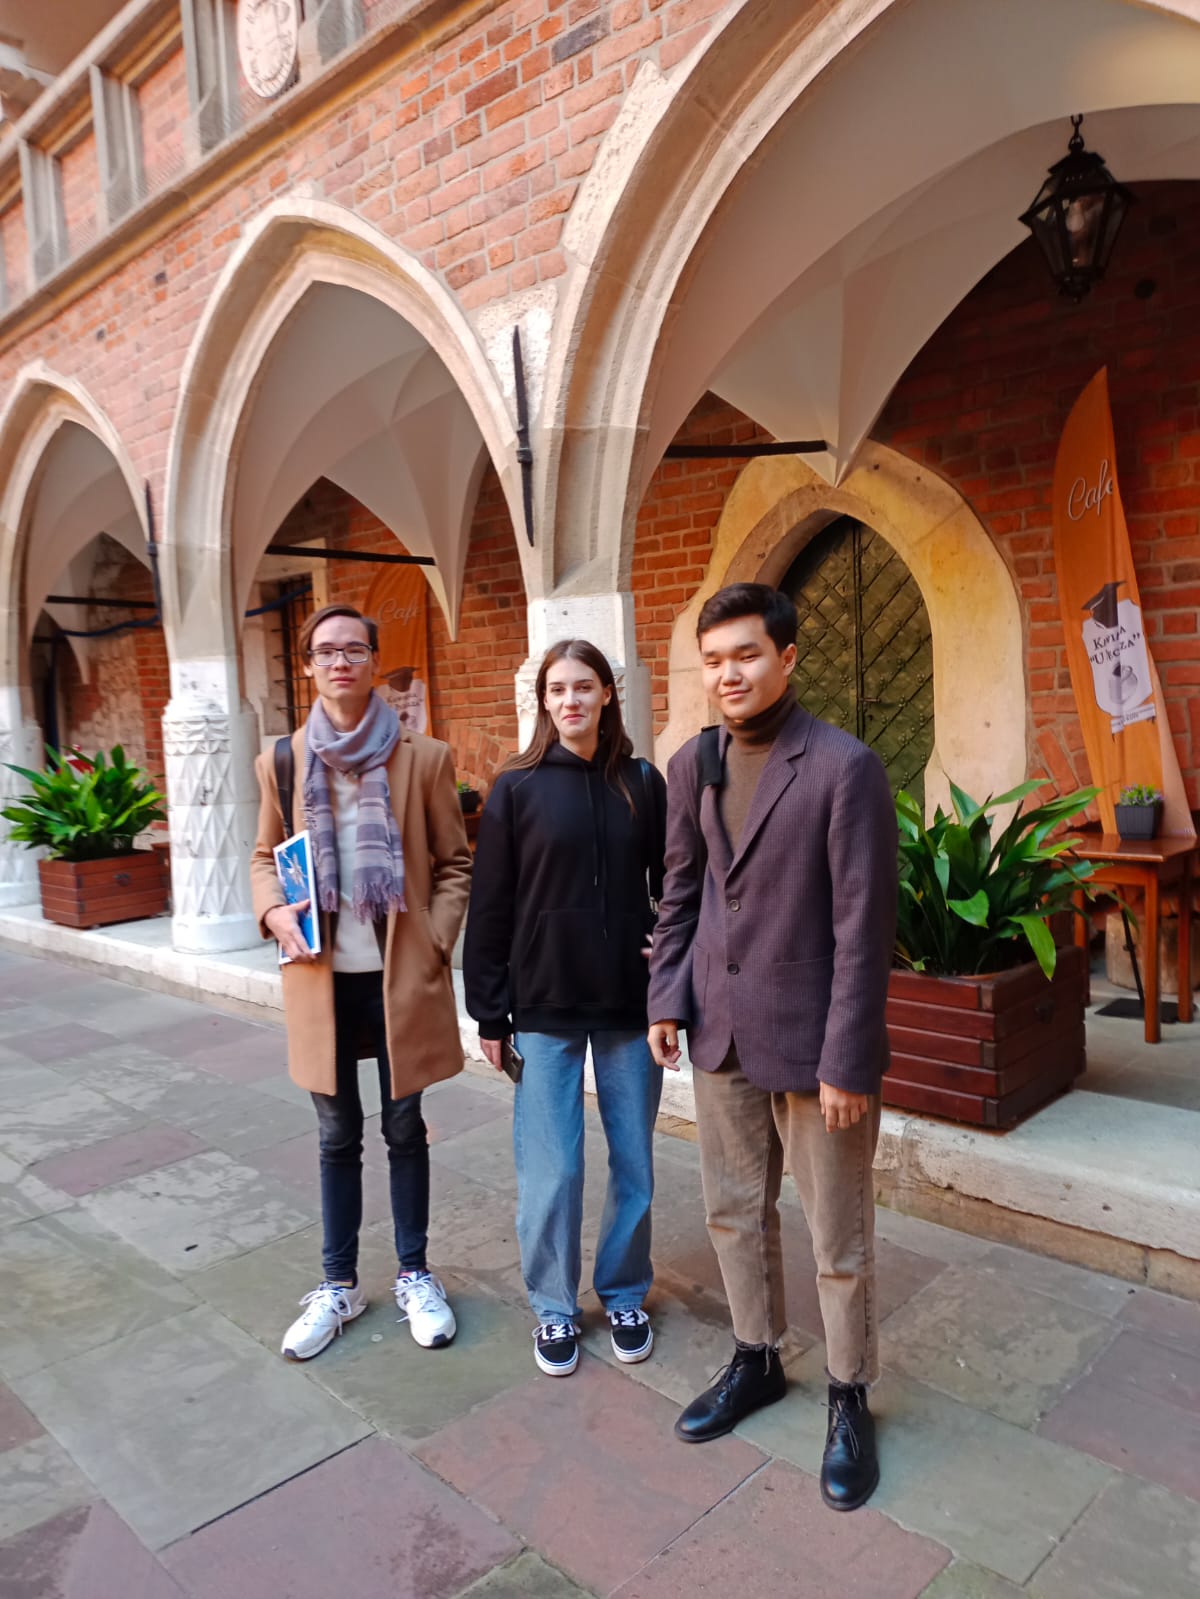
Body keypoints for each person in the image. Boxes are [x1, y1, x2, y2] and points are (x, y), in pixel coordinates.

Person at [647, 582, 897, 1512]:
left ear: (787, 658)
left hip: (814, 1038)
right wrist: (666, 997)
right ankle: (756, 1358)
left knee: (839, 1233)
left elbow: (864, 927)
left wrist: (848, 1058)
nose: (729, 674)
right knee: (732, 1210)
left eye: (746, 655)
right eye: (713, 660)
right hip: (719, 1027)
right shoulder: (692, 763)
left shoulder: (843, 767)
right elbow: (682, 890)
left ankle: (848, 1392)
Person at [250, 603, 471, 1362]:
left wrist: (435, 941)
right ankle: (338, 1284)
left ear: (374, 660)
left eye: (354, 649)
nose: (340, 661)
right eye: (325, 651)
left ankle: (415, 1273)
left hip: (398, 979)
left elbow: (454, 863)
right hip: (321, 982)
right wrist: (272, 910)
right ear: (308, 665)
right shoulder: (282, 761)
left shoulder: (424, 757)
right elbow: (262, 856)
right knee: (336, 1135)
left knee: (405, 1128)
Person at [464, 640, 667, 1377]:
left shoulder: (641, 782)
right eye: (557, 690)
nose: (570, 700)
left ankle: (623, 1291)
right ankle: (554, 1305)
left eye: (584, 687)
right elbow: (490, 905)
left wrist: (671, 958)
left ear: (608, 694)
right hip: (544, 1003)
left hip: (628, 1004)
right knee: (552, 1170)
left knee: (634, 1161)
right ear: (543, 701)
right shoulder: (515, 788)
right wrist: (489, 1013)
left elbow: (675, 884)